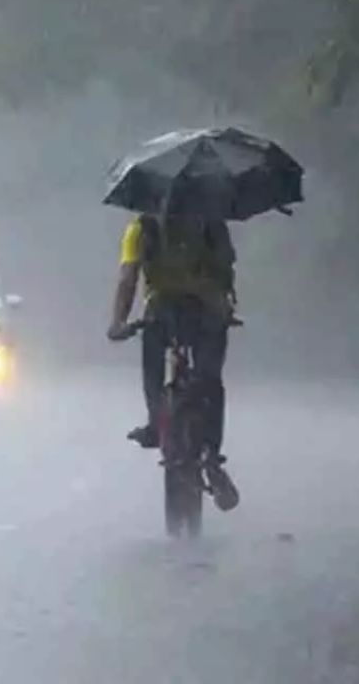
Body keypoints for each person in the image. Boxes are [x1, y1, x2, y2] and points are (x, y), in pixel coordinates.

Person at [106, 202, 240, 510]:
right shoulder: (212, 223)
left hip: (163, 312)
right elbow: (226, 270)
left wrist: (118, 322)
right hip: (207, 312)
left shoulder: (142, 228)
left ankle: (156, 422)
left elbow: (128, 277)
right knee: (211, 379)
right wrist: (224, 307)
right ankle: (211, 454)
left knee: (153, 364)